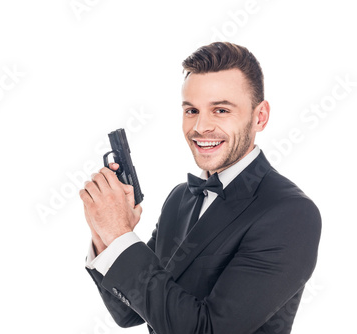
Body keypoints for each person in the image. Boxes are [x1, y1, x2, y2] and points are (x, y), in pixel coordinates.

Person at [79, 42, 321, 334]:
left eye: (220, 110)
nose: (200, 126)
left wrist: (120, 235)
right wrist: (104, 230)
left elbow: (208, 330)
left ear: (260, 117)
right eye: (191, 110)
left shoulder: (291, 213)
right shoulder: (179, 198)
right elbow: (128, 314)